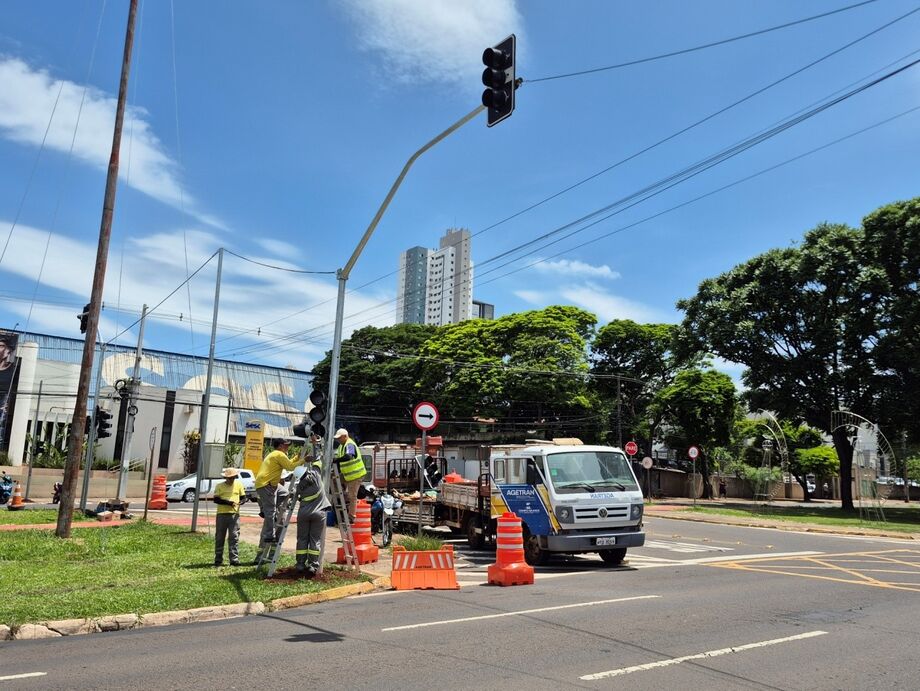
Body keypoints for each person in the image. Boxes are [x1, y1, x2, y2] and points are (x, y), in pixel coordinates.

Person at [254, 438, 305, 550]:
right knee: (271, 511)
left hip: (269, 484)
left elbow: (288, 463)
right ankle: (269, 535)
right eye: (286, 445)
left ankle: (266, 509)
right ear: (280, 446)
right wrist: (304, 460)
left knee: (285, 493)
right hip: (267, 484)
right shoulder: (279, 454)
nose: (288, 447)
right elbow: (290, 467)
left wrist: (298, 457)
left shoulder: (276, 454)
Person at [295, 457, 329, 578]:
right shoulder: (316, 476)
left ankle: (300, 564)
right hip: (318, 514)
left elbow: (298, 497)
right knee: (315, 539)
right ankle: (313, 565)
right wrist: (317, 455)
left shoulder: (300, 486)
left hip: (303, 514)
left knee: (302, 539)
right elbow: (317, 464)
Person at [213, 467, 246, 566]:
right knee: (220, 537)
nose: (232, 480)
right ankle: (218, 559)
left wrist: (242, 501)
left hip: (234, 514)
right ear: (225, 478)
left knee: (234, 537)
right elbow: (216, 500)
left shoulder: (239, 485)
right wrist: (228, 503)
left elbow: (243, 497)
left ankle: (234, 559)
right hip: (222, 514)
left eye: (233, 478)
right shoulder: (219, 486)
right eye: (230, 478)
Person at [333, 428, 365, 520]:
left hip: (356, 475)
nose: (338, 440)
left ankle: (351, 516)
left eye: (339, 438)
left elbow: (349, 456)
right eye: (337, 438)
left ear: (345, 436)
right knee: (334, 480)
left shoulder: (350, 444)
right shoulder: (341, 446)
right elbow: (340, 461)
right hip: (347, 474)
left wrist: (336, 460)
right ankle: (343, 497)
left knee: (352, 496)